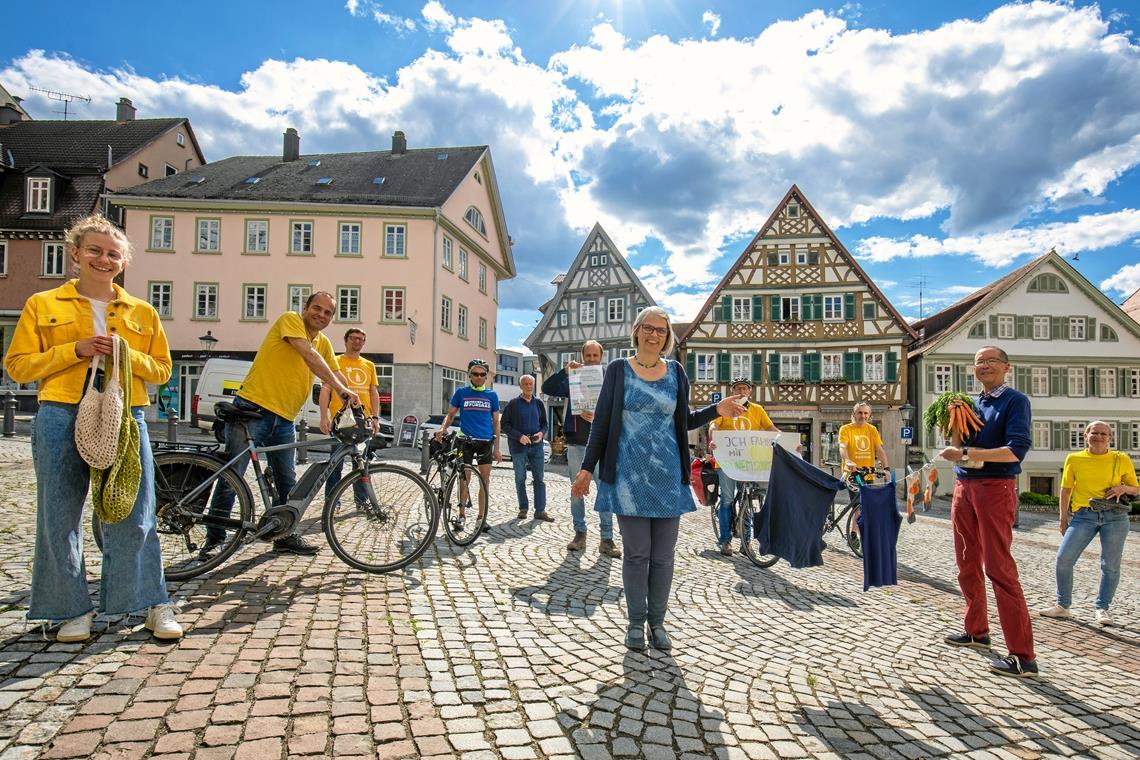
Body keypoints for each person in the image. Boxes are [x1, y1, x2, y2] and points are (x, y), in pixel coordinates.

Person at [4, 214, 182, 642]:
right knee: (59, 515)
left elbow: (161, 369)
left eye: (113, 254)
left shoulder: (142, 311)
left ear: (123, 262)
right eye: (95, 251)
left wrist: (124, 353)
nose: (104, 259)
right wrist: (75, 349)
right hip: (60, 412)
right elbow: (17, 364)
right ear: (76, 254)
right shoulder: (42, 305)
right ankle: (69, 610)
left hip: (126, 416)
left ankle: (146, 603)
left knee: (135, 514)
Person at [571, 307, 745, 652]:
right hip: (627, 475)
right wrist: (588, 468)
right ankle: (636, 624)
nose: (655, 335)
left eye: (661, 331)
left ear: (667, 337)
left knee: (664, 556)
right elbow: (602, 422)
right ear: (637, 331)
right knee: (637, 554)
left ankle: (658, 623)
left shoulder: (676, 372)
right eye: (649, 328)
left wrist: (716, 411)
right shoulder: (619, 370)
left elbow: (685, 420)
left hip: (667, 475)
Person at [206, 292, 358, 556]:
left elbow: (334, 371)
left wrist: (351, 394)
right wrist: (340, 389)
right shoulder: (290, 320)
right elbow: (308, 355)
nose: (321, 315)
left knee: (287, 479)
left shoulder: (322, 342)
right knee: (233, 476)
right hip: (253, 409)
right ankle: (215, 540)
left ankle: (285, 535)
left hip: (285, 418)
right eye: (317, 308)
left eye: (327, 313)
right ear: (306, 308)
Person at [937, 345, 1036, 678]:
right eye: (979, 363)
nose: (984, 367)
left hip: (996, 488)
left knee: (999, 568)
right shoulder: (971, 403)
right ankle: (977, 631)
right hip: (965, 486)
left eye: (991, 362)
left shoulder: (1015, 401)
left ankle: (1023, 656)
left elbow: (1015, 451)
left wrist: (965, 450)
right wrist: (953, 428)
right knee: (966, 563)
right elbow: (959, 448)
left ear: (1007, 366)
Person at [1039, 420, 1138, 626]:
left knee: (1110, 565)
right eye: (1094, 432)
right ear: (1086, 435)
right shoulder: (1074, 459)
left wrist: (1123, 489)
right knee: (1064, 558)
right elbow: (1066, 489)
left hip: (1115, 517)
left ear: (1110, 438)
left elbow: (1135, 488)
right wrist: (1063, 518)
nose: (1099, 436)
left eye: (1104, 434)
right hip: (1084, 515)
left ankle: (1102, 608)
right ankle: (1063, 606)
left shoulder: (1121, 459)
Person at [542, 340, 620, 558]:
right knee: (577, 492)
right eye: (589, 356)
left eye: (596, 356)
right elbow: (547, 388)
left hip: (601, 445)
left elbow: (618, 408)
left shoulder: (609, 378)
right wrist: (564, 372)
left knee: (604, 492)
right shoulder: (573, 377)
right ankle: (580, 534)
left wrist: (599, 416)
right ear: (583, 356)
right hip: (576, 442)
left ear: (601, 357)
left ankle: (607, 539)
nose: (592, 359)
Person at [707, 377, 780, 556]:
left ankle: (746, 542)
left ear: (750, 392)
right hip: (726, 461)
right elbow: (713, 425)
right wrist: (713, 438)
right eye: (738, 388)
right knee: (727, 499)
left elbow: (771, 429)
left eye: (744, 389)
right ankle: (725, 541)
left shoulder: (757, 410)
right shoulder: (725, 407)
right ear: (732, 391)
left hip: (748, 462)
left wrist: (787, 442)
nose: (741, 391)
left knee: (746, 500)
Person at [435, 359, 502, 530]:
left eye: (482, 375)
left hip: (485, 442)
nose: (479, 377)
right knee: (465, 479)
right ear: (470, 375)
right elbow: (450, 415)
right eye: (475, 374)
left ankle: (481, 518)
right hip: (465, 441)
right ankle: (461, 515)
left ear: (486, 377)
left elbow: (496, 422)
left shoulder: (492, 395)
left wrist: (498, 448)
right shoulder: (461, 392)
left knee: (485, 480)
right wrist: (443, 428)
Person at [319, 328, 382, 504]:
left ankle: (361, 500)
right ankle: (332, 502)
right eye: (354, 338)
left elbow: (373, 392)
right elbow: (325, 390)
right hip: (341, 422)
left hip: (363, 422)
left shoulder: (369, 365)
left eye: (361, 339)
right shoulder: (335, 362)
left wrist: (375, 418)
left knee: (361, 464)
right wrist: (324, 416)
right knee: (335, 465)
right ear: (346, 340)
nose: (357, 342)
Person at [500, 375, 550, 521]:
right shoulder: (513, 404)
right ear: (520, 386)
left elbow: (544, 424)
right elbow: (505, 425)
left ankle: (540, 510)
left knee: (539, 479)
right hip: (518, 446)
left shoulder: (539, 403)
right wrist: (519, 436)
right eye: (526, 384)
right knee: (520, 478)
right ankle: (523, 508)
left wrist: (541, 433)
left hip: (536, 446)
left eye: (530, 384)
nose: (529, 386)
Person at [839, 402, 890, 474]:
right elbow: (842, 447)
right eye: (860, 413)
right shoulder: (845, 429)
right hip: (851, 473)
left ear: (869, 415)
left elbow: (879, 450)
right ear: (854, 414)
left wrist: (886, 469)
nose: (863, 416)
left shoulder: (872, 429)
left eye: (866, 413)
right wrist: (847, 460)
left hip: (868, 474)